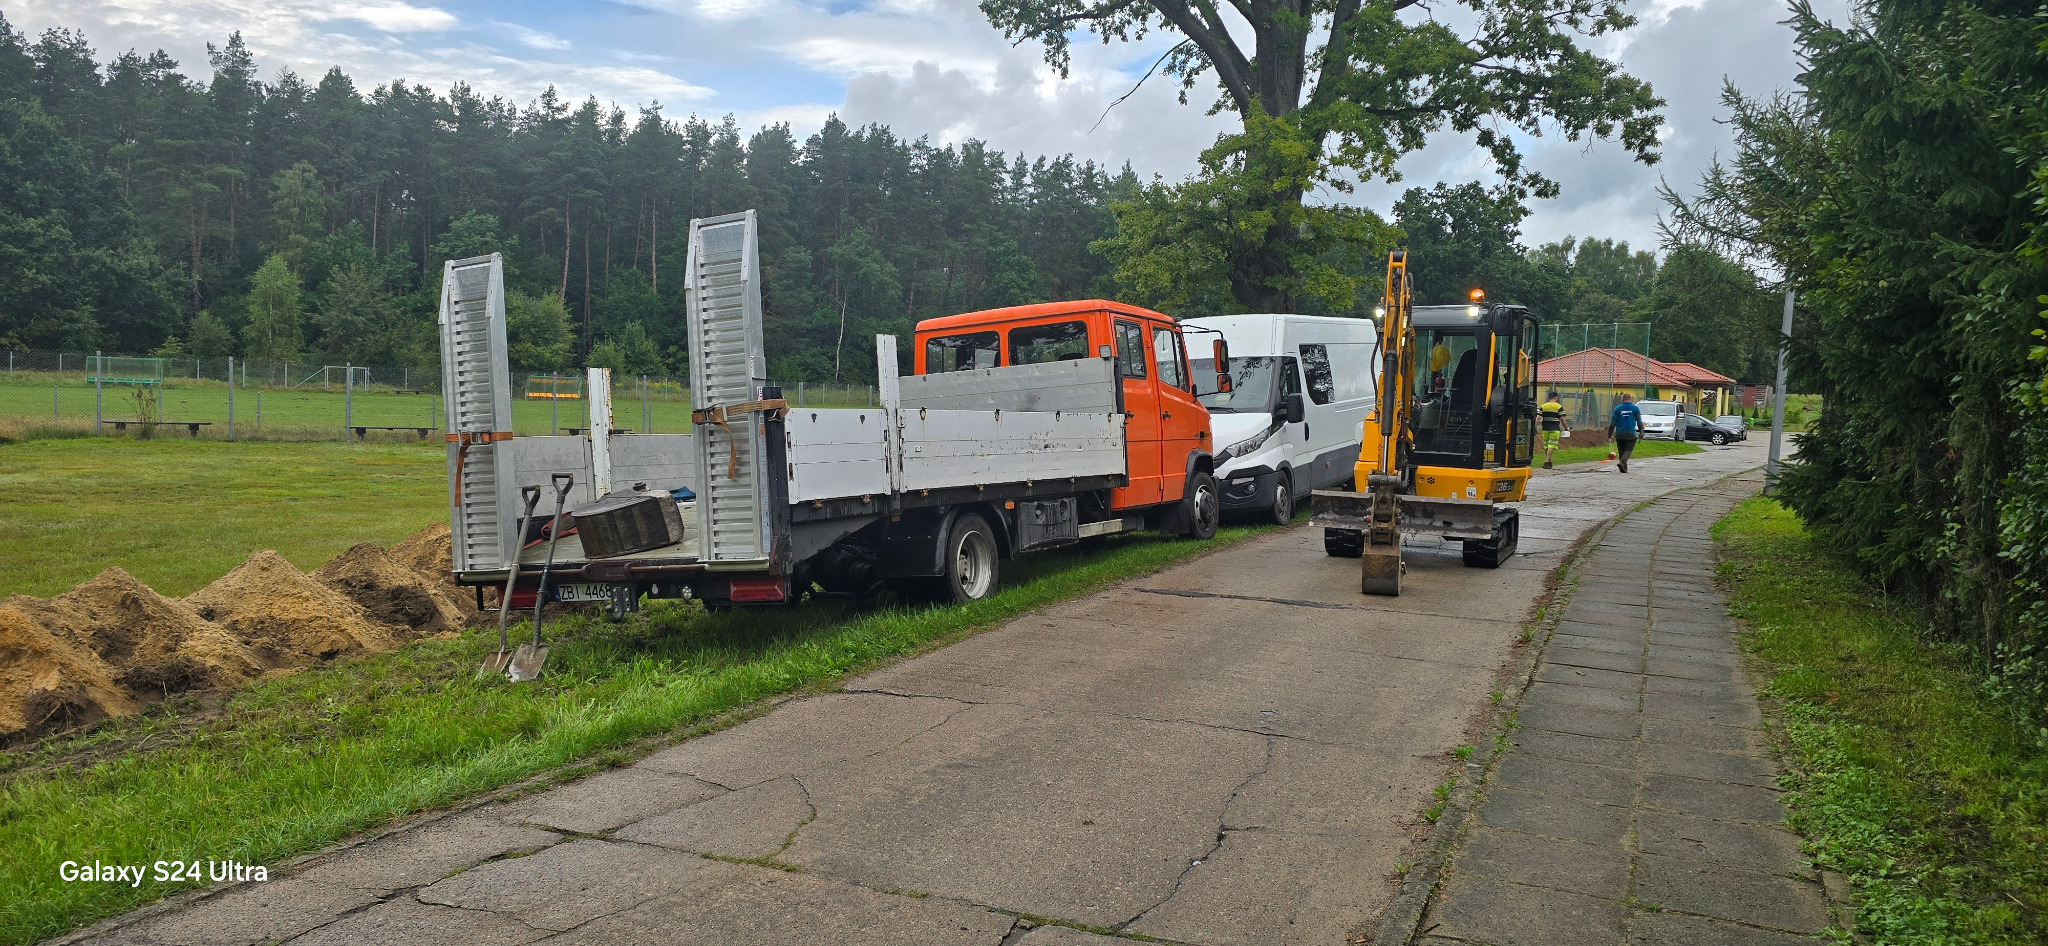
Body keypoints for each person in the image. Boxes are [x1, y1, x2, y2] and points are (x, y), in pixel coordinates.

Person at [1609, 393, 1643, 473]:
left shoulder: (1617, 409)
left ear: (1622, 399)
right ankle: (1622, 462)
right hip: (1630, 433)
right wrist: (1641, 432)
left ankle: (1624, 468)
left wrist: (1609, 433)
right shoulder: (1635, 408)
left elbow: (1613, 422)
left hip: (1620, 433)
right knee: (1628, 449)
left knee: (1621, 451)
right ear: (1630, 399)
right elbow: (1639, 421)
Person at [1539, 390, 1569, 469]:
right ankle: (1546, 462)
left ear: (1549, 397)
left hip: (1545, 428)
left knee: (1546, 446)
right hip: (1554, 428)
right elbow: (1563, 419)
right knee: (1551, 445)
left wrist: (1535, 426)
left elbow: (1539, 417)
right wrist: (1566, 427)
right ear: (1556, 398)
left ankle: (1549, 462)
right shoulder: (1558, 406)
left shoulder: (1543, 406)